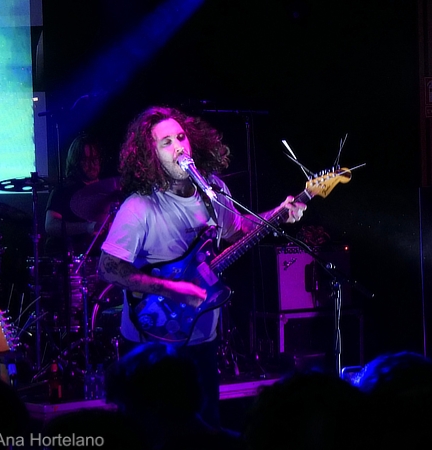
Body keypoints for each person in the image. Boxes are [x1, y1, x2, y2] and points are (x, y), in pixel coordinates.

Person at [98, 106, 306, 428]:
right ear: (150, 155)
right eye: (166, 142)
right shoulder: (139, 206)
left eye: (181, 137)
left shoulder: (214, 191)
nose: (179, 147)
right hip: (151, 341)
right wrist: (171, 289)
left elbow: (239, 230)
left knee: (205, 430)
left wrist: (278, 214)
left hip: (201, 338)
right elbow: (108, 267)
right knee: (150, 433)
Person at [44, 134, 104, 257]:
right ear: (75, 162)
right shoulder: (64, 190)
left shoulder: (109, 189)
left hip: (100, 256)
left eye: (95, 159)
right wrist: (86, 227)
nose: (92, 164)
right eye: (86, 160)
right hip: (70, 257)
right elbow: (50, 225)